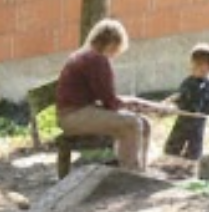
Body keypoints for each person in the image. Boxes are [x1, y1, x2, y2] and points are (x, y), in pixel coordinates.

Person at [54, 18, 175, 173]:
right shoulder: (96, 59)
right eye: (116, 49)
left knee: (142, 122)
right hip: (74, 116)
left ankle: (139, 169)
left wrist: (143, 106)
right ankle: (130, 172)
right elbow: (110, 102)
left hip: (74, 114)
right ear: (112, 43)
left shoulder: (87, 56)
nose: (115, 55)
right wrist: (146, 107)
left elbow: (107, 99)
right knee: (132, 124)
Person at [164, 43, 209, 164]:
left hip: (197, 119)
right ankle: (171, 159)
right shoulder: (190, 80)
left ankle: (190, 163)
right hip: (185, 117)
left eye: (199, 66)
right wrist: (171, 100)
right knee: (175, 141)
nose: (195, 69)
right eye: (193, 65)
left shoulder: (205, 83)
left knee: (194, 144)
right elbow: (181, 94)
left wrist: (176, 105)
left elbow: (196, 100)